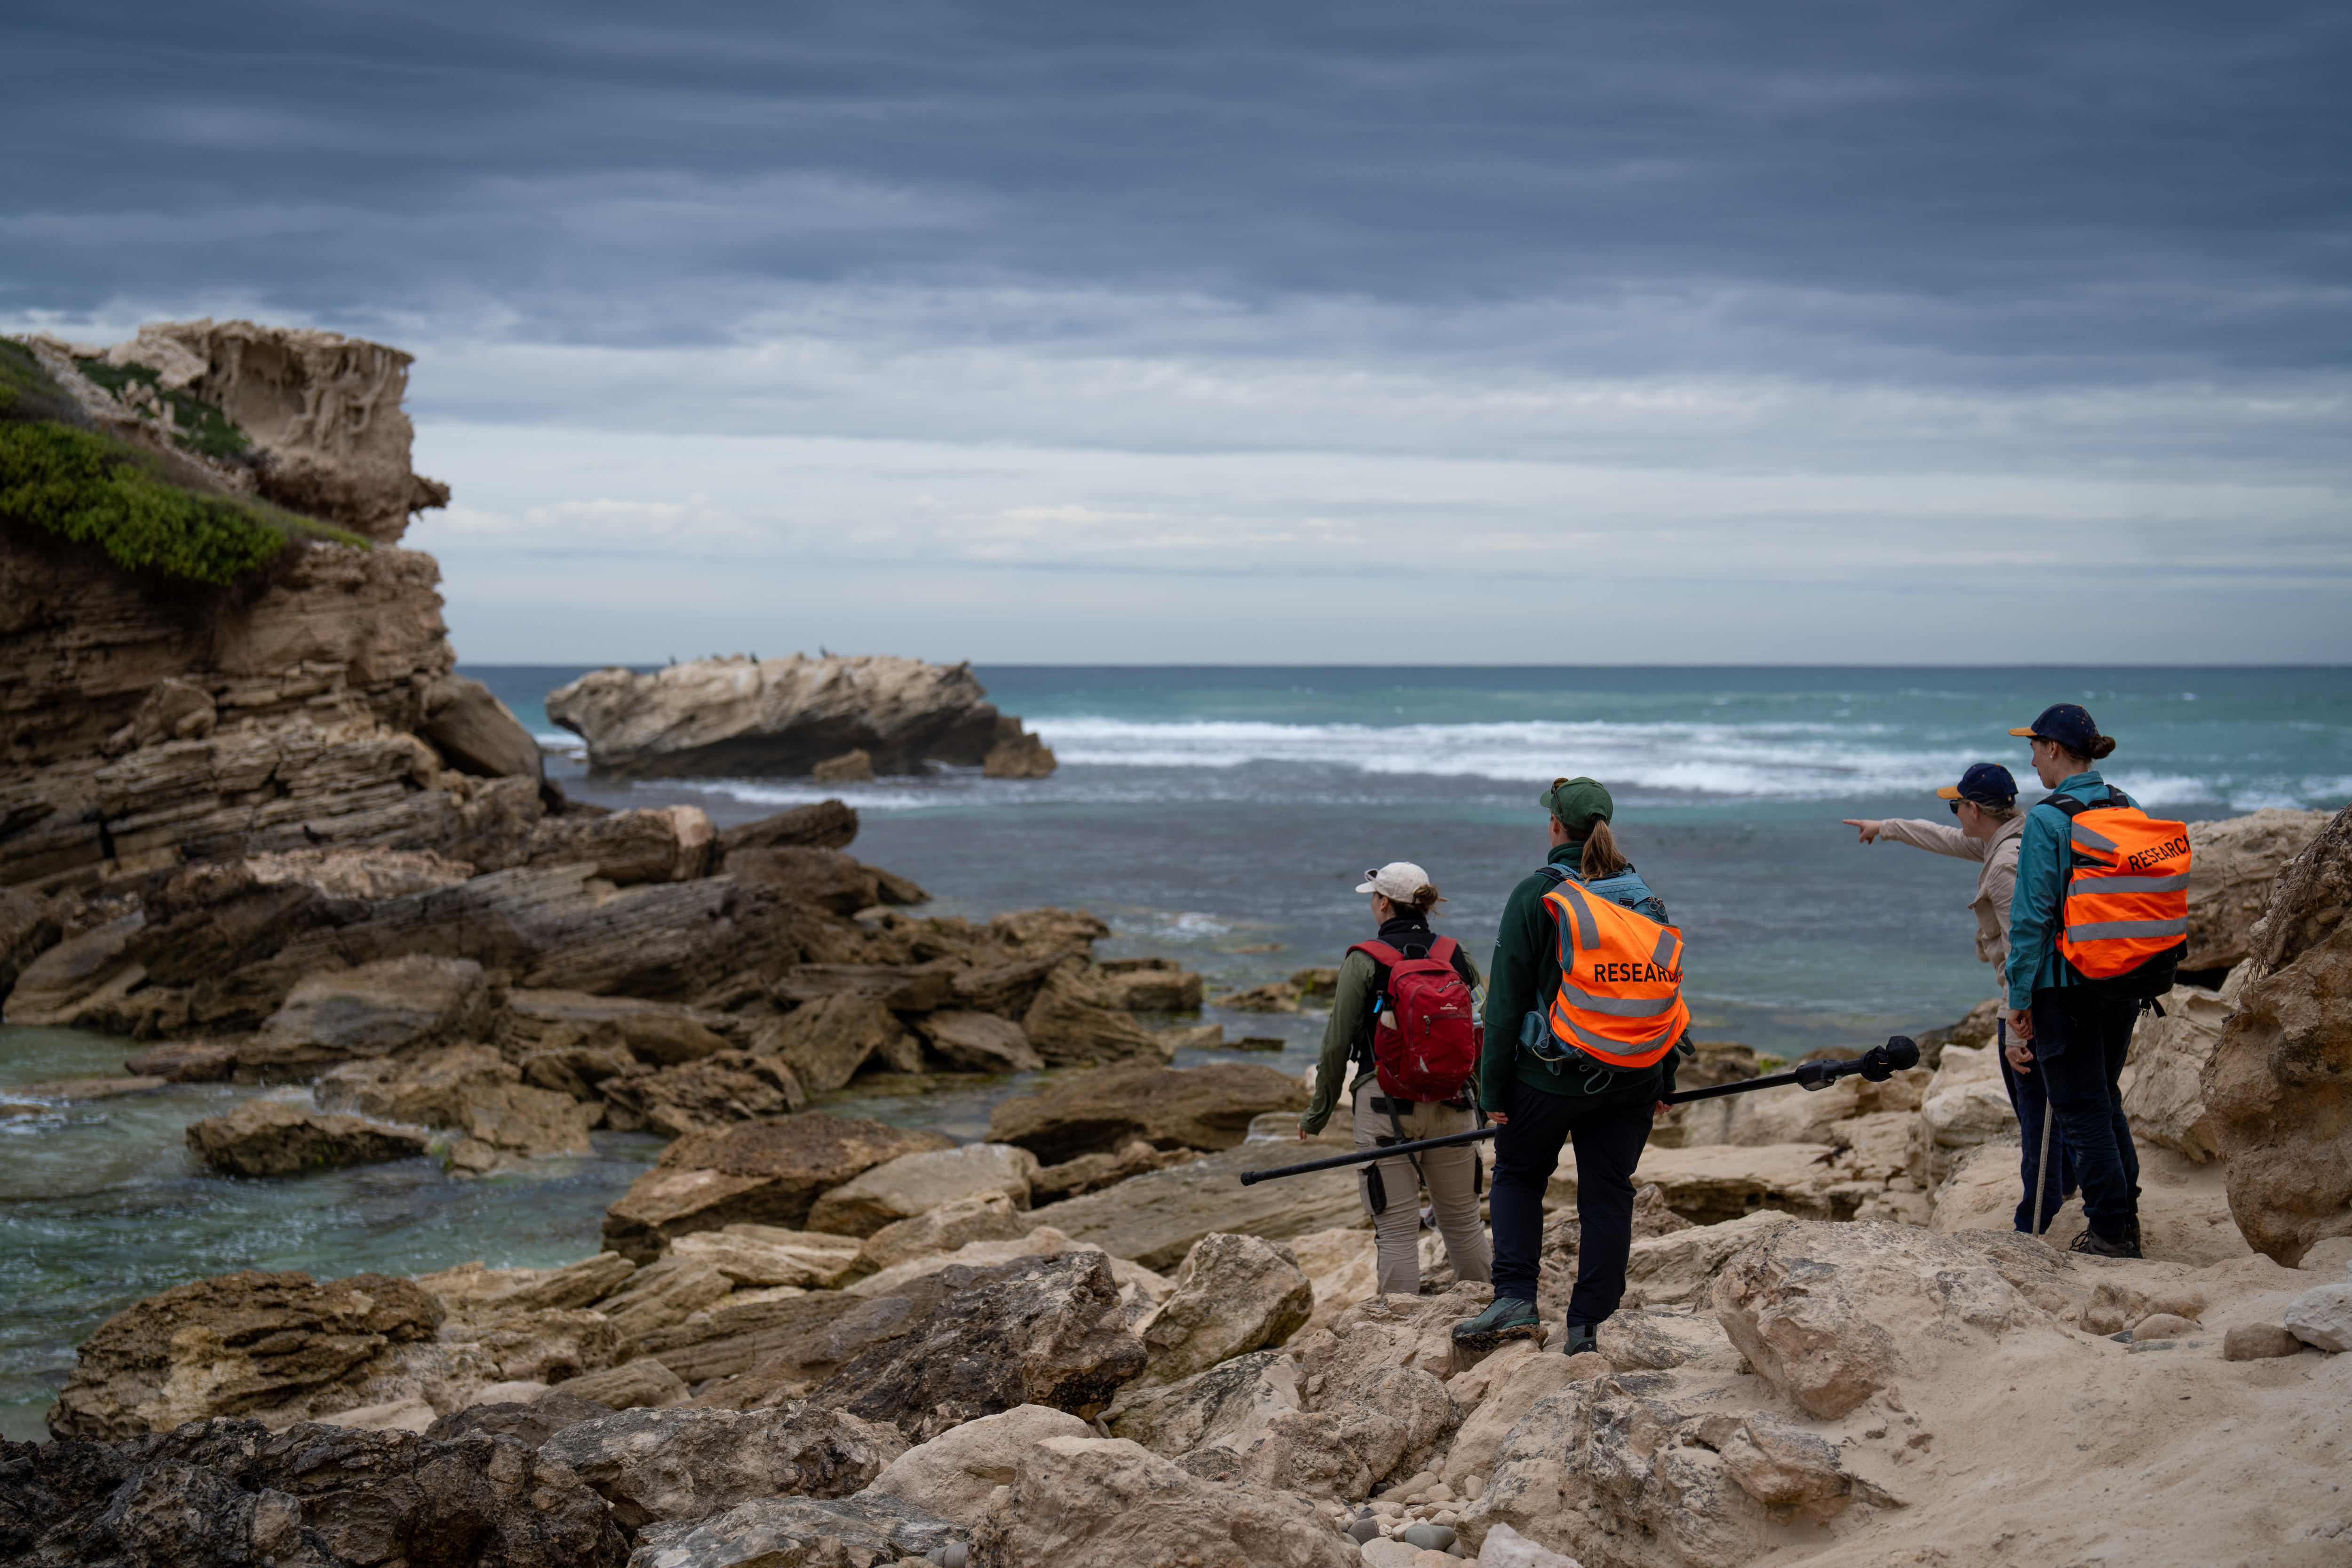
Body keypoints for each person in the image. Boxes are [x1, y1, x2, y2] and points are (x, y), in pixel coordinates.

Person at [1451, 778, 1681, 1357]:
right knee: (1608, 1195)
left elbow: (1503, 1004)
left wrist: (1492, 1089)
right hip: (1633, 1076)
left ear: (1554, 826)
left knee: (1519, 1177)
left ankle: (1515, 1301)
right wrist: (1664, 1076)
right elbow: (1662, 989)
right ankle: (1589, 1326)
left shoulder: (1536, 894)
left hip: (1548, 1078)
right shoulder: (1641, 894)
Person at [1843, 762, 2074, 1232]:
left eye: (1955, 806)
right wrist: (1884, 829)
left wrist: (2013, 1028)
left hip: (2033, 1003)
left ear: (1972, 809)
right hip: (2046, 995)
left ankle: (2033, 1219)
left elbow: (2020, 950)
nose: (1953, 816)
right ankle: (2064, 1187)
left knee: (2035, 1115)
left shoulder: (2006, 865)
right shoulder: (2014, 834)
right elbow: (1943, 839)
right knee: (2048, 1109)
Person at [1298, 861, 1494, 1297]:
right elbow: (1485, 1031)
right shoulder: (1457, 956)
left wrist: (1317, 1114)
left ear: (1384, 903)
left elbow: (1335, 1045)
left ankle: (1397, 1337)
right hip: (1455, 1104)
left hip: (1384, 1108)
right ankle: (1495, 1319)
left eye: (1372, 897)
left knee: (1398, 1231)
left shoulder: (1365, 960)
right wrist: (1481, 1099)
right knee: (1463, 1223)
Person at [2002, 703, 2145, 1258]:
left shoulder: (2045, 819)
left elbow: (2031, 918)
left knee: (2080, 1110)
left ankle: (2110, 1232)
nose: (2032, 760)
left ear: (2054, 750)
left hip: (2064, 987)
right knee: (2103, 1101)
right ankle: (2124, 1216)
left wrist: (2018, 999)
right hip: (2124, 980)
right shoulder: (2124, 804)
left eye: (2034, 748)